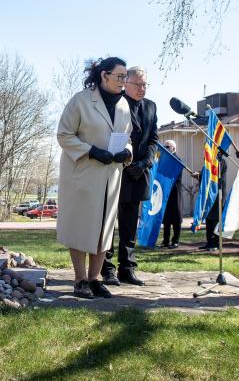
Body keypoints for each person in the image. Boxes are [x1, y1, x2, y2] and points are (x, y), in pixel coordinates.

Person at [57, 57, 133, 298]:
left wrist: (127, 152)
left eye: (125, 77)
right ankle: (80, 280)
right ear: (104, 75)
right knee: (82, 225)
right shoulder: (80, 101)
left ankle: (94, 278)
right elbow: (64, 135)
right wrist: (91, 151)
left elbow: (127, 136)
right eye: (120, 77)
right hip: (83, 174)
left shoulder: (123, 105)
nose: (124, 82)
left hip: (111, 176)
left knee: (104, 228)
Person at [101, 66, 157, 286]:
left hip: (138, 173)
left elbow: (153, 139)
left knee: (129, 225)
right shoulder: (116, 104)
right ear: (127, 84)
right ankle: (107, 269)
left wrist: (144, 163)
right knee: (108, 223)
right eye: (138, 85)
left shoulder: (150, 107)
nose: (142, 89)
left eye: (145, 85)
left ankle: (128, 268)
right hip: (115, 172)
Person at [200, 154, 228, 252]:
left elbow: (215, 175)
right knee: (208, 219)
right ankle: (209, 242)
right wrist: (199, 175)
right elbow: (205, 176)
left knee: (216, 219)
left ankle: (216, 243)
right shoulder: (208, 162)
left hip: (217, 194)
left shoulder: (221, 162)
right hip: (209, 193)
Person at [161, 140, 183, 249]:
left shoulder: (177, 160)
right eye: (164, 146)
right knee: (166, 218)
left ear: (173, 148)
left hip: (175, 192)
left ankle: (175, 241)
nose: (165, 148)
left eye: (167, 146)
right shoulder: (164, 160)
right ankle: (165, 241)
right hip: (166, 193)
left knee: (176, 218)